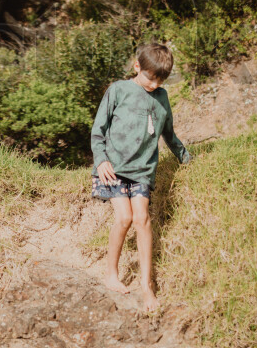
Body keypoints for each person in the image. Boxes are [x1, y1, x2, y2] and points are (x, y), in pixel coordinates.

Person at [90, 42, 193, 313]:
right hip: (112, 168)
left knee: (142, 219)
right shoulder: (118, 90)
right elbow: (98, 130)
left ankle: (147, 286)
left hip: (143, 170)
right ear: (137, 67)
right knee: (124, 218)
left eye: (160, 79)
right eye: (150, 77)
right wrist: (100, 160)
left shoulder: (162, 97)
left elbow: (168, 134)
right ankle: (111, 274)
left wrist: (186, 158)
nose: (154, 83)